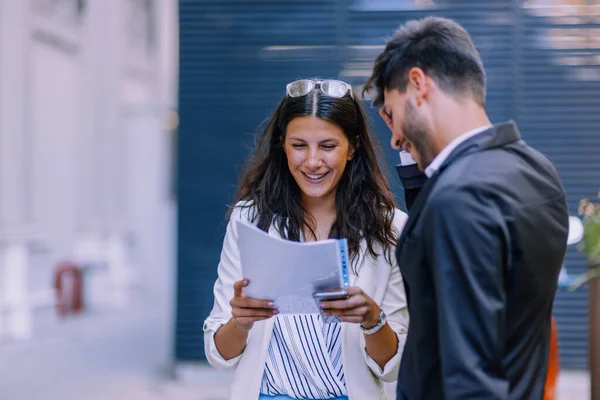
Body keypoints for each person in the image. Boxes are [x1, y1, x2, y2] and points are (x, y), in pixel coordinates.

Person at [363, 16, 569, 400]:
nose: (393, 138)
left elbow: (469, 373)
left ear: (418, 84)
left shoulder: (459, 199)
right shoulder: (536, 170)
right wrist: (412, 146)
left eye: (393, 110)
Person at [203, 78, 409, 400]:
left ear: (352, 147)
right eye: (299, 145)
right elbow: (219, 355)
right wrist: (240, 322)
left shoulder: (390, 229)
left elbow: (393, 367)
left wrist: (372, 319)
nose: (312, 161)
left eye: (328, 146)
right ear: (282, 145)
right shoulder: (250, 220)